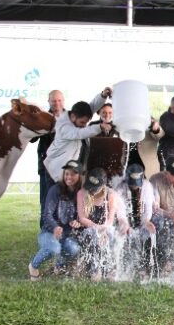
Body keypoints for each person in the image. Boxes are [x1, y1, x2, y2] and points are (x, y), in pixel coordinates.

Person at [28, 159, 92, 280]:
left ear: (80, 176)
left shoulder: (81, 193)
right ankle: (33, 266)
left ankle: (59, 266)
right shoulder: (55, 190)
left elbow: (82, 215)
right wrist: (55, 227)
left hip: (66, 235)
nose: (69, 177)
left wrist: (77, 222)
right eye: (67, 173)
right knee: (54, 248)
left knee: (74, 249)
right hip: (49, 232)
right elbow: (46, 214)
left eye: (73, 174)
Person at [44, 87, 112, 189]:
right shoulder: (63, 126)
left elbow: (91, 107)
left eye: (86, 122)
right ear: (73, 117)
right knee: (52, 202)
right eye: (82, 122)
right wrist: (100, 127)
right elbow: (79, 133)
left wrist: (103, 95)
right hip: (55, 172)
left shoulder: (76, 115)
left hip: (70, 172)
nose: (84, 125)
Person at [77, 167, 130, 280]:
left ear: (103, 185)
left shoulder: (111, 195)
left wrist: (104, 229)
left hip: (106, 227)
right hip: (88, 228)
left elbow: (110, 220)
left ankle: (109, 268)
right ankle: (95, 269)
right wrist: (97, 228)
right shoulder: (82, 193)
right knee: (93, 234)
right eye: (91, 188)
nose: (92, 191)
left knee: (111, 235)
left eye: (95, 189)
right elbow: (82, 218)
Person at [32, 89, 65, 228]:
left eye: (59, 100)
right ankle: (45, 232)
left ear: (63, 101)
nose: (56, 103)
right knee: (46, 200)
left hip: (67, 168)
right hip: (46, 167)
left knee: (66, 201)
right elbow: (32, 139)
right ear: (49, 102)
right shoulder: (43, 117)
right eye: (53, 101)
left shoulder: (71, 117)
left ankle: (65, 232)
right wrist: (43, 127)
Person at [117, 163, 158, 278]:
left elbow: (148, 208)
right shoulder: (120, 188)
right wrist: (125, 224)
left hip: (142, 220)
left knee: (146, 234)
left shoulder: (147, 186)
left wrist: (146, 222)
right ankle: (124, 267)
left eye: (136, 184)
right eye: (132, 184)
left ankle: (143, 266)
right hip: (125, 221)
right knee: (126, 235)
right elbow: (119, 210)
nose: (134, 186)